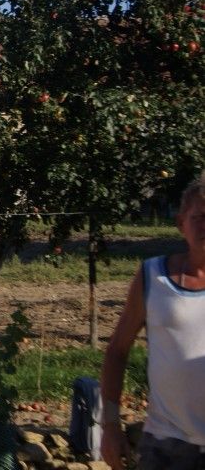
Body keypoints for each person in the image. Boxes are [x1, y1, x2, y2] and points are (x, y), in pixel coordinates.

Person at [100, 172, 205, 470]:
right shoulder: (153, 276)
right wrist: (110, 425)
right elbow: (117, 351)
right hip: (166, 445)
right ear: (181, 223)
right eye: (199, 216)